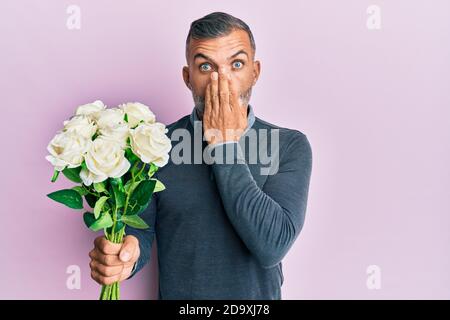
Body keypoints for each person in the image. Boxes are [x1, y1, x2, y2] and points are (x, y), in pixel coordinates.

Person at [89, 11, 312, 299]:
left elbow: (272, 245)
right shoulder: (154, 146)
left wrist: (223, 144)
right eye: (206, 66)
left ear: (255, 72)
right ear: (188, 77)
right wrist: (125, 257)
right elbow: (141, 234)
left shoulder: (289, 146)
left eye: (237, 64)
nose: (222, 81)